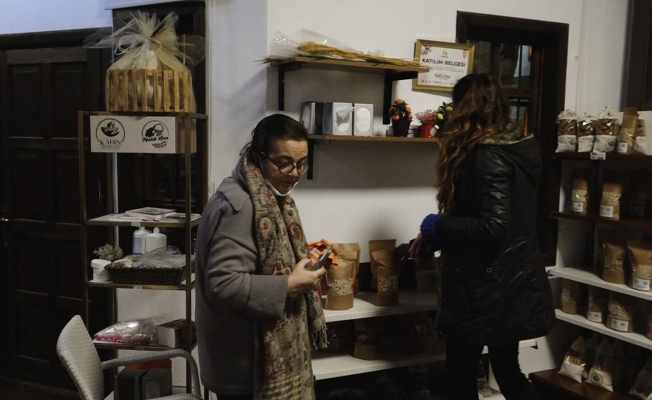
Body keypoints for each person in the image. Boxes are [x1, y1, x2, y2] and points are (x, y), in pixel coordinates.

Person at [409, 73, 555, 400]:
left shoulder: (486, 154)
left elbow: (494, 225)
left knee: (460, 375)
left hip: (484, 286)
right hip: (513, 279)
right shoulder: (517, 148)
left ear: (464, 109)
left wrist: (438, 226)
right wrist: (440, 232)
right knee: (507, 370)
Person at [195, 114, 328, 400]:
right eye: (284, 162)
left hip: (247, 360)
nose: (294, 173)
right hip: (246, 366)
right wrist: (290, 284)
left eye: (301, 164)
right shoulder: (241, 205)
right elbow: (222, 284)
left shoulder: (262, 194)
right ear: (258, 155)